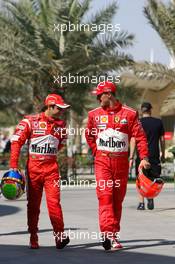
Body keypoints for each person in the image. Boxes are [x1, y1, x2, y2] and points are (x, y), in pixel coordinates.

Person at [85, 81, 150, 250]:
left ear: (108, 94)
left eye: (100, 95)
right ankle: (107, 234)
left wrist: (143, 157)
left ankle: (113, 234)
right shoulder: (94, 115)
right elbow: (89, 136)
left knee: (117, 200)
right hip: (102, 161)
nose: (98, 99)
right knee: (105, 196)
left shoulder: (130, 114)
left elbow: (140, 137)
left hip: (121, 163)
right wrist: (97, 152)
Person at [10, 94, 70, 249]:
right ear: (49, 106)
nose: (61, 111)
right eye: (59, 108)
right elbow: (16, 141)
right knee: (34, 205)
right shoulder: (31, 121)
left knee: (54, 203)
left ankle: (60, 237)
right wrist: (13, 165)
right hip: (34, 170)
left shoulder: (62, 126)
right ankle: (33, 237)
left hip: (52, 170)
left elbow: (60, 145)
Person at [130, 102, 165, 210]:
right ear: (150, 110)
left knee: (141, 178)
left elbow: (133, 140)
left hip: (141, 155)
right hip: (154, 154)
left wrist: (131, 156)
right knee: (153, 177)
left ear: (141, 110)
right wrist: (162, 154)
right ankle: (150, 198)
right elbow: (162, 140)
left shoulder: (137, 122)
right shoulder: (158, 122)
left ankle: (141, 203)